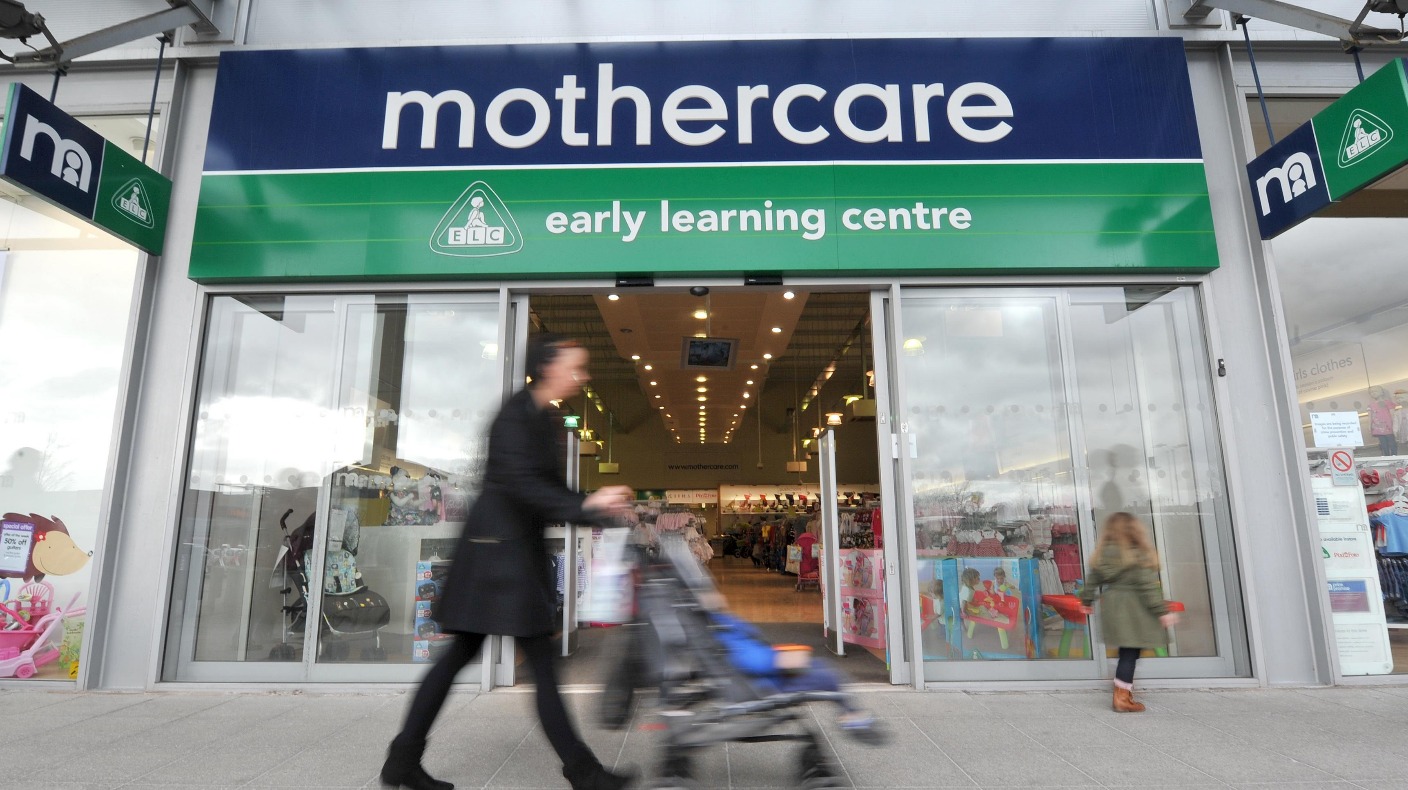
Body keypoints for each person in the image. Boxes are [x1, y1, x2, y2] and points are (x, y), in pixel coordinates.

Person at [381, 334, 636, 790]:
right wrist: (588, 504)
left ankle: (402, 761)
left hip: (503, 556)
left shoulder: (540, 416)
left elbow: (546, 489)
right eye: (576, 366)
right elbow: (523, 485)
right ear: (549, 366)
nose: (582, 376)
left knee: (469, 657)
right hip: (499, 561)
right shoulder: (517, 416)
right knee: (534, 662)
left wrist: (595, 505)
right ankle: (584, 773)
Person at [1079, 512, 1180, 713]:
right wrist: (1162, 611)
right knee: (1130, 653)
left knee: (1125, 651)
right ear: (1135, 531)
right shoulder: (1138, 555)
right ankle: (1122, 697)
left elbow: (1092, 581)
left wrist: (1086, 601)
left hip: (1113, 606)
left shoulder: (1102, 555)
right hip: (1135, 609)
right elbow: (1148, 587)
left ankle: (1123, 690)